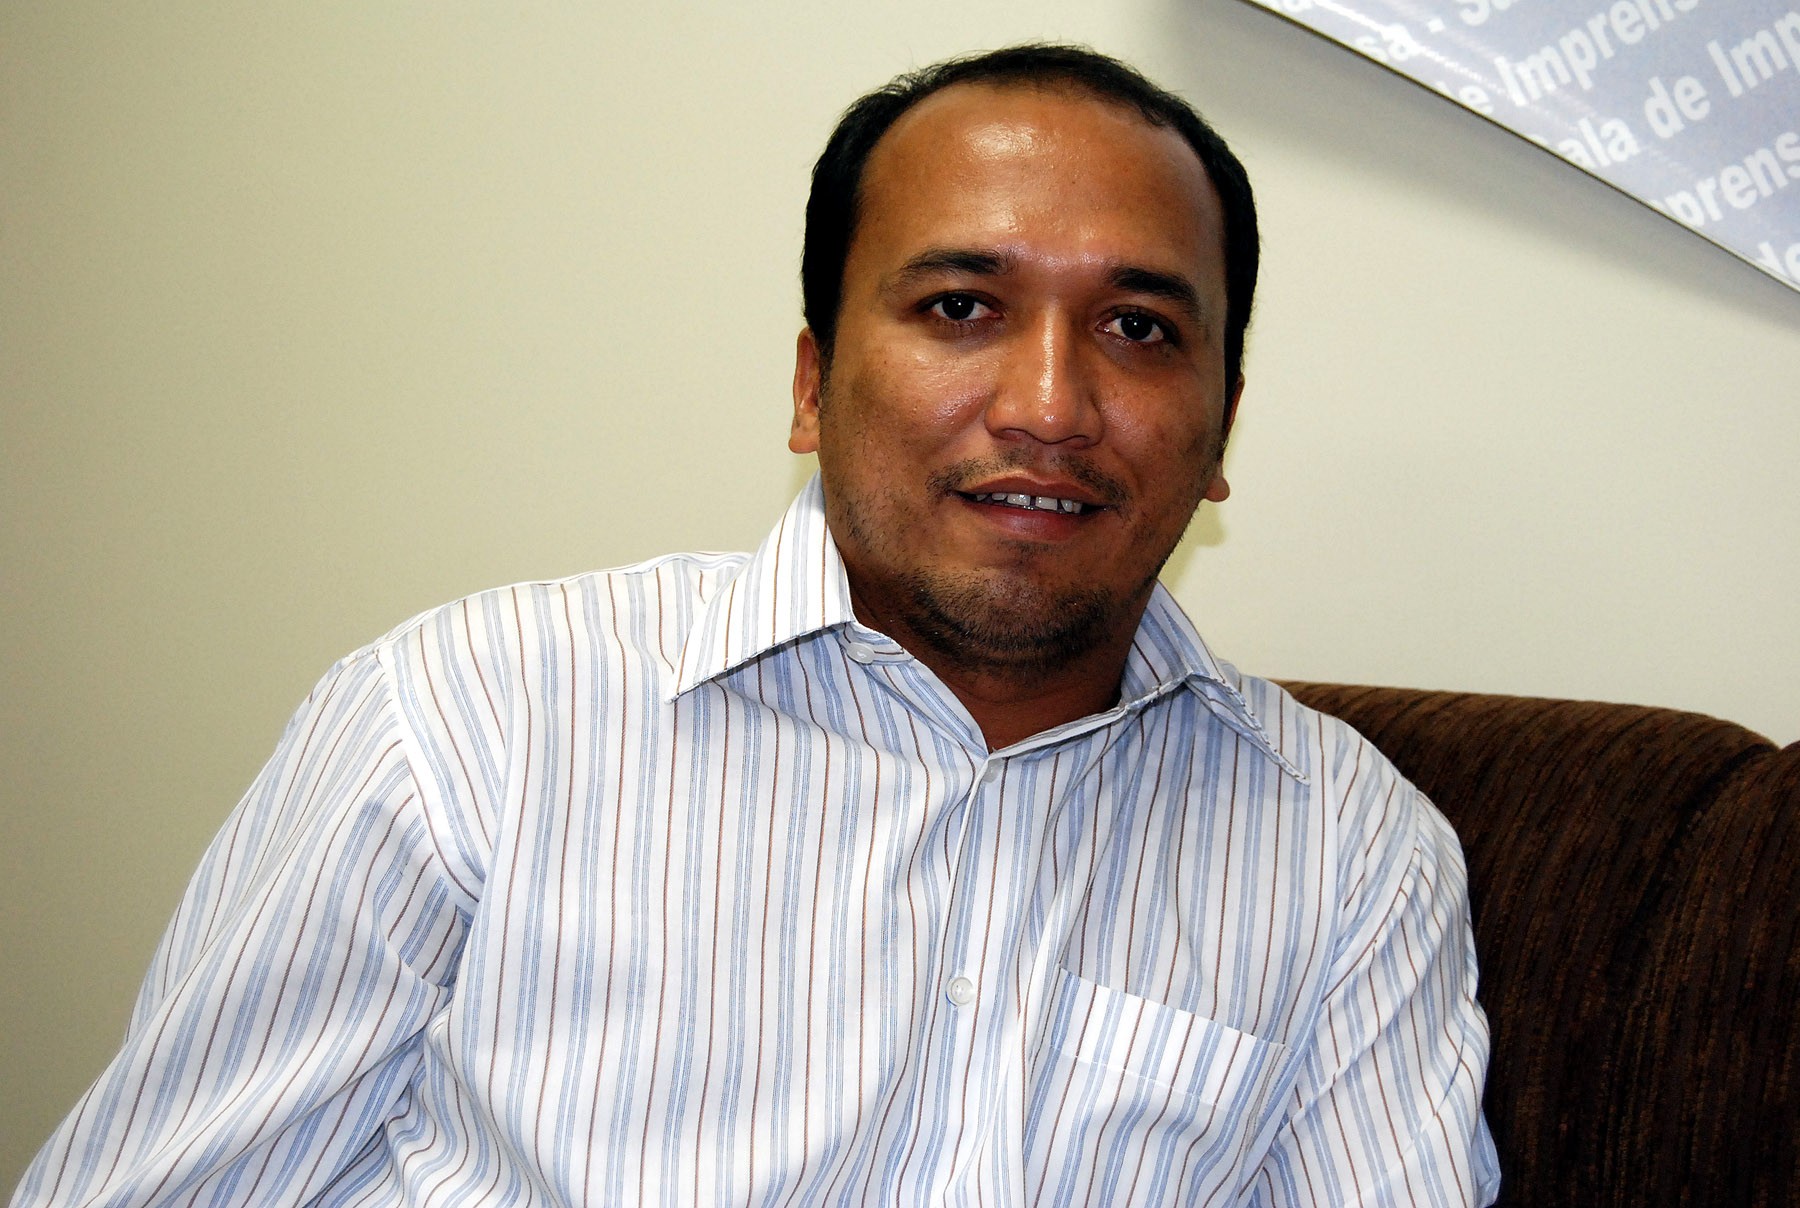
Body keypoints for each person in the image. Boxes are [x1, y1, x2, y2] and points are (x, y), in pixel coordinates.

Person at [12, 44, 1498, 1207]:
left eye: (1138, 329)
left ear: (1222, 426)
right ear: (809, 383)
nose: (1049, 405)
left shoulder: (1348, 858)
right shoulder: (471, 719)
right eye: (961, 307)